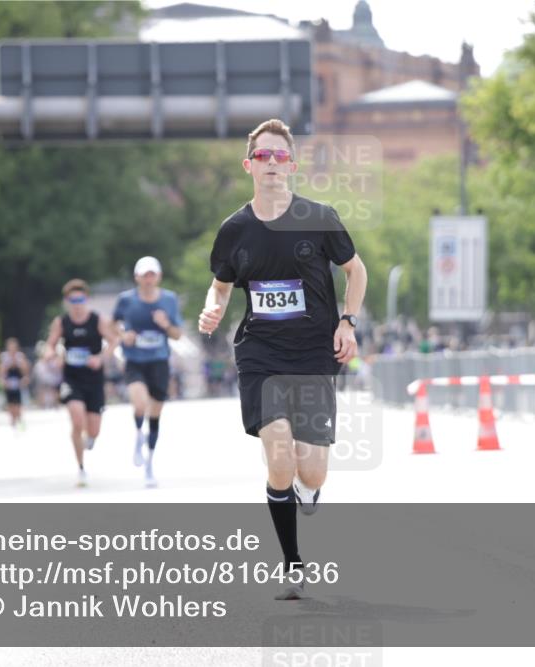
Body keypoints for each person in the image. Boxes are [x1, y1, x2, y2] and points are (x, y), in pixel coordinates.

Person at [198, 118, 367, 600]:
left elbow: (356, 272)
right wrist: (213, 308)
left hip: (314, 352)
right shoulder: (235, 229)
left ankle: (307, 490)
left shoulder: (319, 216)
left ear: (291, 164)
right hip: (262, 353)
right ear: (249, 165)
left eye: (279, 156)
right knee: (278, 455)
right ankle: (293, 565)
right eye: (262, 156)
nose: (271, 163)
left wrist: (347, 321)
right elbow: (221, 283)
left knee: (310, 470)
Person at [113, 256, 184, 487]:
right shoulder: (126, 300)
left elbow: (177, 334)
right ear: (137, 277)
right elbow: (112, 325)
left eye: (152, 274)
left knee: (155, 412)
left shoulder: (169, 300)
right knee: (140, 403)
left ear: (159, 276)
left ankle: (150, 463)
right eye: (145, 275)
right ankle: (137, 434)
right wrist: (124, 336)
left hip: (159, 361)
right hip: (134, 359)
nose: (149, 279)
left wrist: (165, 325)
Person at [44, 279, 119, 487]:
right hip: (72, 378)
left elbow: (113, 341)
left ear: (86, 299)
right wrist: (52, 355)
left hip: (94, 380)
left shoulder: (97, 320)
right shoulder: (62, 322)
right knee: (77, 420)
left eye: (81, 299)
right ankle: (81, 468)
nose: (77, 303)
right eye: (73, 299)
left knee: (93, 430)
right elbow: (50, 345)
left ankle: (90, 438)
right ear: (67, 301)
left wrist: (101, 358)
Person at [0, 338, 31, 430]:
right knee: (10, 404)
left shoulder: (20, 357)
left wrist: (18, 364)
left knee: (18, 404)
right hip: (9, 384)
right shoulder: (4, 357)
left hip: (18, 383)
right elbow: (1, 371)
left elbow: (25, 370)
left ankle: (19, 420)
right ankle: (13, 421)